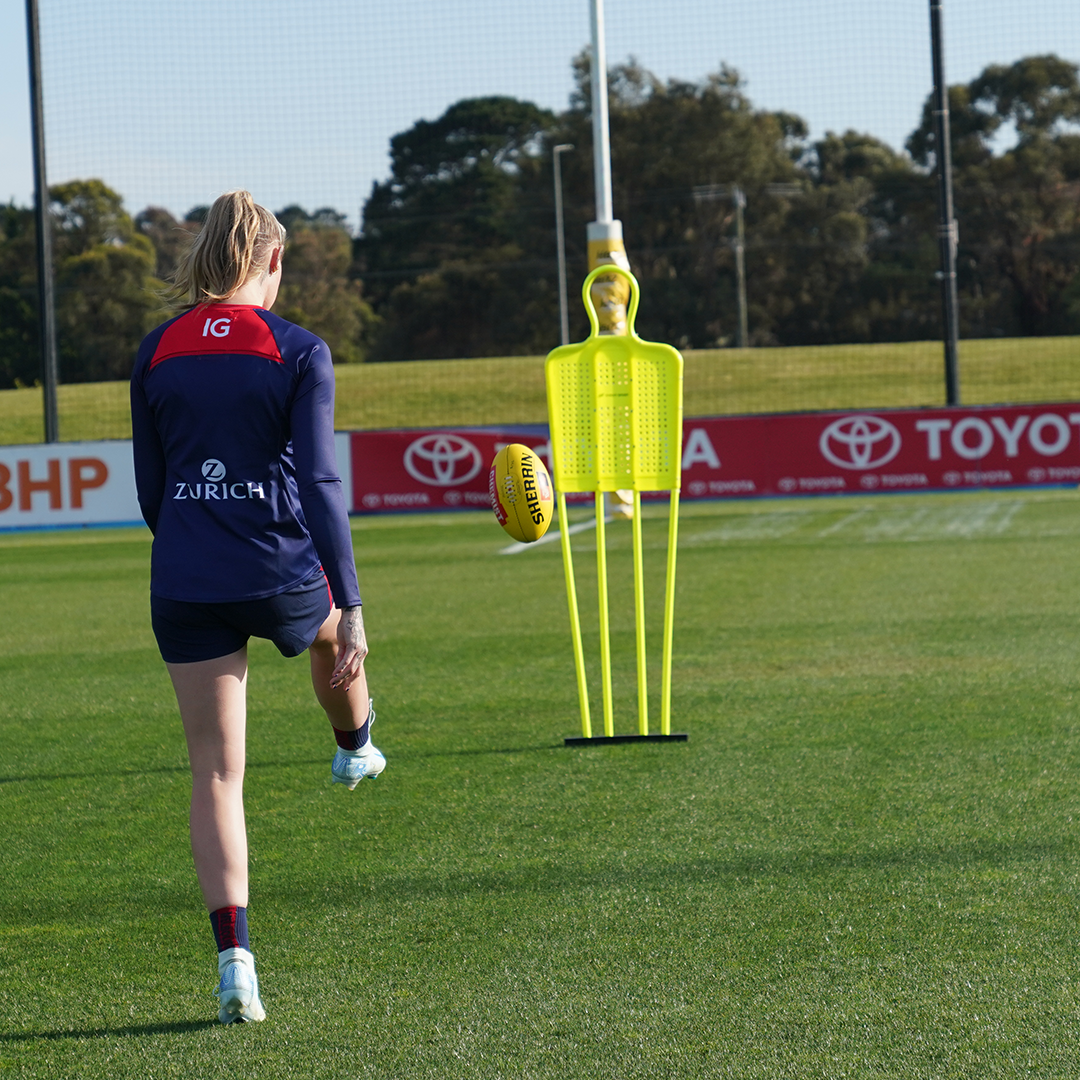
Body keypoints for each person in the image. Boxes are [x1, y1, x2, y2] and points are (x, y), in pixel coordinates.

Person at [130, 190, 383, 1025]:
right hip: (280, 572)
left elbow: (151, 492)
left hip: (187, 580)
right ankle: (356, 744)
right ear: (272, 262)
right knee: (327, 639)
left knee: (215, 772)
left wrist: (195, 547)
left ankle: (236, 961)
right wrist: (349, 602)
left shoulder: (155, 350)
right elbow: (318, 483)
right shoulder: (299, 350)